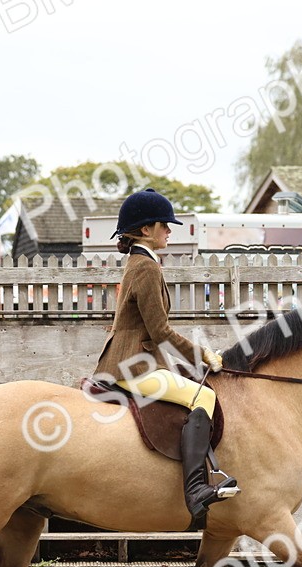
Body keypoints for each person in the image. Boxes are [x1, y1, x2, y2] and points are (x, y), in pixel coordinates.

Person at [95, 188, 239, 524]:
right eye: (165, 225)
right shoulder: (146, 267)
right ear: (146, 229)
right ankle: (196, 491)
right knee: (203, 395)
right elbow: (160, 331)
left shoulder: (140, 262)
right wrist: (201, 355)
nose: (170, 231)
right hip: (133, 366)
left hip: (132, 360)